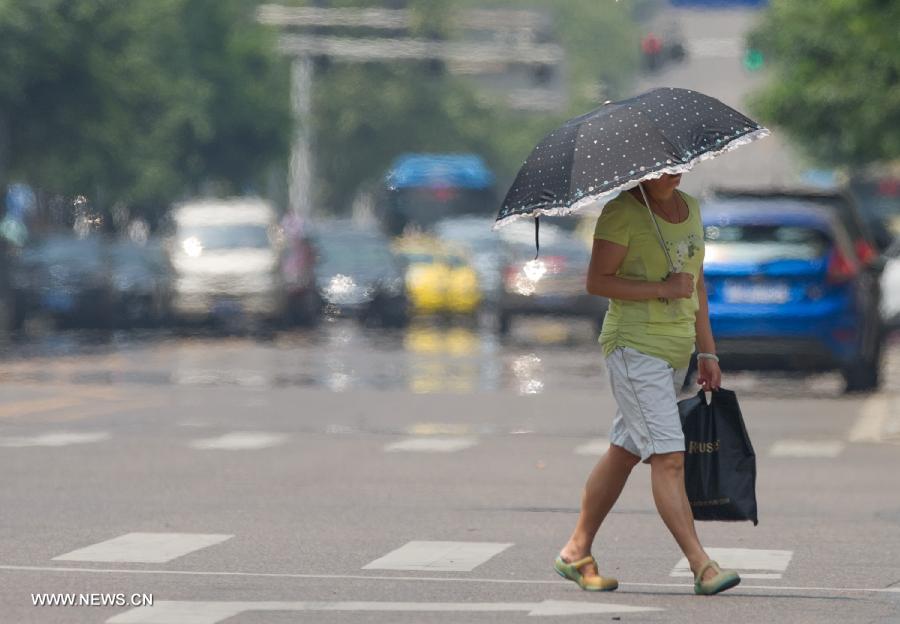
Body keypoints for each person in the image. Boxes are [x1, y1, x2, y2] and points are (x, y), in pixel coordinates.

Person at [553, 173, 741, 596]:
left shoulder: (689, 208)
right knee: (668, 456)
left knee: (624, 451)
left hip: (674, 353)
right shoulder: (622, 212)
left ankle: (575, 551)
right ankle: (701, 565)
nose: (669, 175)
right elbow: (597, 281)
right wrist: (660, 288)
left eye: (676, 165)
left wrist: (707, 351)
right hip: (634, 348)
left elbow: (696, 284)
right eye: (661, 168)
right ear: (642, 170)